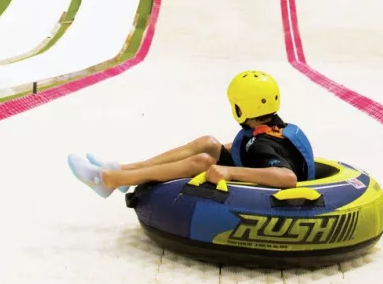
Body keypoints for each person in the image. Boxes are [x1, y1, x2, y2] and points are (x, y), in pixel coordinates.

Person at [67, 70, 313, 197]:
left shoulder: (261, 147)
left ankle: (108, 181)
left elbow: (287, 177)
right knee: (207, 143)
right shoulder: (275, 127)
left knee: (202, 162)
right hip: (255, 167)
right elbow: (250, 144)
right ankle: (124, 170)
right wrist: (225, 151)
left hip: (267, 190)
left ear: (241, 108)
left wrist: (228, 170)